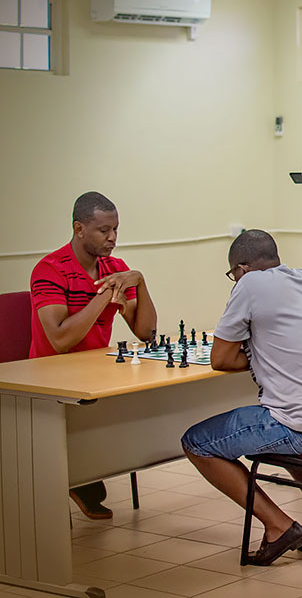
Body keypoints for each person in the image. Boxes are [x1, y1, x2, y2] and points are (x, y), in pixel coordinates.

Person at [181, 230, 302, 566]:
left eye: (232, 275)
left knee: (197, 442)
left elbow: (220, 358)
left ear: (241, 269)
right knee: (291, 404)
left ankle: (278, 526)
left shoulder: (249, 285)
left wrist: (255, 353)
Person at [30, 191, 158, 520]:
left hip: (95, 372)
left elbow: (145, 333)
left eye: (116, 229)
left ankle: (86, 475)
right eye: (104, 231)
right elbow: (59, 340)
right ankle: (77, 476)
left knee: (141, 409)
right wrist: (104, 295)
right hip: (51, 378)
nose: (113, 238)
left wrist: (140, 283)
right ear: (79, 228)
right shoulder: (50, 269)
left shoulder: (115, 268)